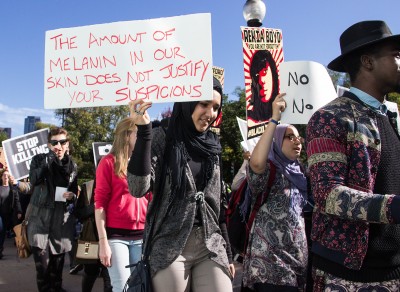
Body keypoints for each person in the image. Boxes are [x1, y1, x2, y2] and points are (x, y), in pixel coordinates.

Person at [306, 20, 400, 291]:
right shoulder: (329, 117)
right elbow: (328, 194)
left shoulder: (391, 118)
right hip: (350, 276)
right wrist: (394, 207)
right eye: (396, 55)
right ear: (368, 62)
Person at [127, 77, 234, 292]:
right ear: (188, 103)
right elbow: (137, 188)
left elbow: (218, 206)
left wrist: (228, 254)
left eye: (215, 107)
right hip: (169, 246)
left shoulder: (214, 145)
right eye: (204, 104)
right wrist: (145, 133)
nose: (210, 113)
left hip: (210, 245)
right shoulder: (160, 137)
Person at [242, 93, 308, 291]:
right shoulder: (269, 170)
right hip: (270, 268)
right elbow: (256, 162)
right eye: (289, 136)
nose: (297, 141)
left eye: (299, 137)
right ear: (277, 141)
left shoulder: (301, 174)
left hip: (298, 266)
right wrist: (274, 119)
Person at [94, 117, 149, 291]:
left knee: (139, 288)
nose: (145, 139)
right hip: (116, 237)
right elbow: (100, 204)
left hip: (142, 236)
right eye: (139, 134)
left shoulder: (145, 164)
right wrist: (103, 242)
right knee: (122, 288)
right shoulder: (108, 162)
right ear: (126, 135)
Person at [27, 127, 78, 292]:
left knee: (57, 271)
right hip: (39, 218)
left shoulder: (72, 165)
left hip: (61, 221)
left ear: (67, 143)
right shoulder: (39, 160)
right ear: (49, 144)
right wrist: (49, 159)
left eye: (62, 142)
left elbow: (75, 191)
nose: (59, 145)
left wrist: (72, 196)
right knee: (43, 269)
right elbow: (34, 179)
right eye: (54, 142)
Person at [75, 179, 112, 292]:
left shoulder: (116, 183)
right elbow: (79, 213)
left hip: (110, 238)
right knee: (90, 273)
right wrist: (95, 206)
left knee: (108, 277)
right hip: (89, 239)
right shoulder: (88, 187)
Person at [247, 49, 280, 124]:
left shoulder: (285, 112)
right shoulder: (250, 118)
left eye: (265, 71)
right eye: (257, 75)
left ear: (273, 74)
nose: (261, 80)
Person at [0, 170, 22, 259]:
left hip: (8, 213)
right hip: (0, 214)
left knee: (5, 232)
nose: (6, 177)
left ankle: (1, 249)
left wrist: (19, 211)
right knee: (1, 230)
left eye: (7, 176)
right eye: (4, 175)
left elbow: (17, 201)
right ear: (1, 177)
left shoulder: (13, 189)